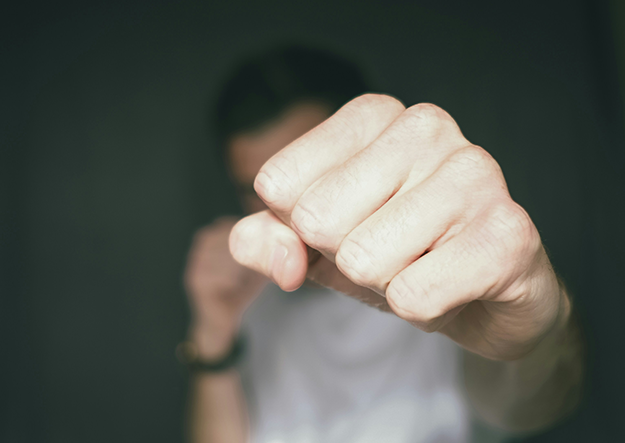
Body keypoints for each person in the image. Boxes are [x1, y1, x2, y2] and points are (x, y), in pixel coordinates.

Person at [181, 45, 584, 443]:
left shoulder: (444, 268)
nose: (284, 210)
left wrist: (536, 329)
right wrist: (213, 338)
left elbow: (534, 409)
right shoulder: (247, 299)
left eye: (304, 172)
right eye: (256, 191)